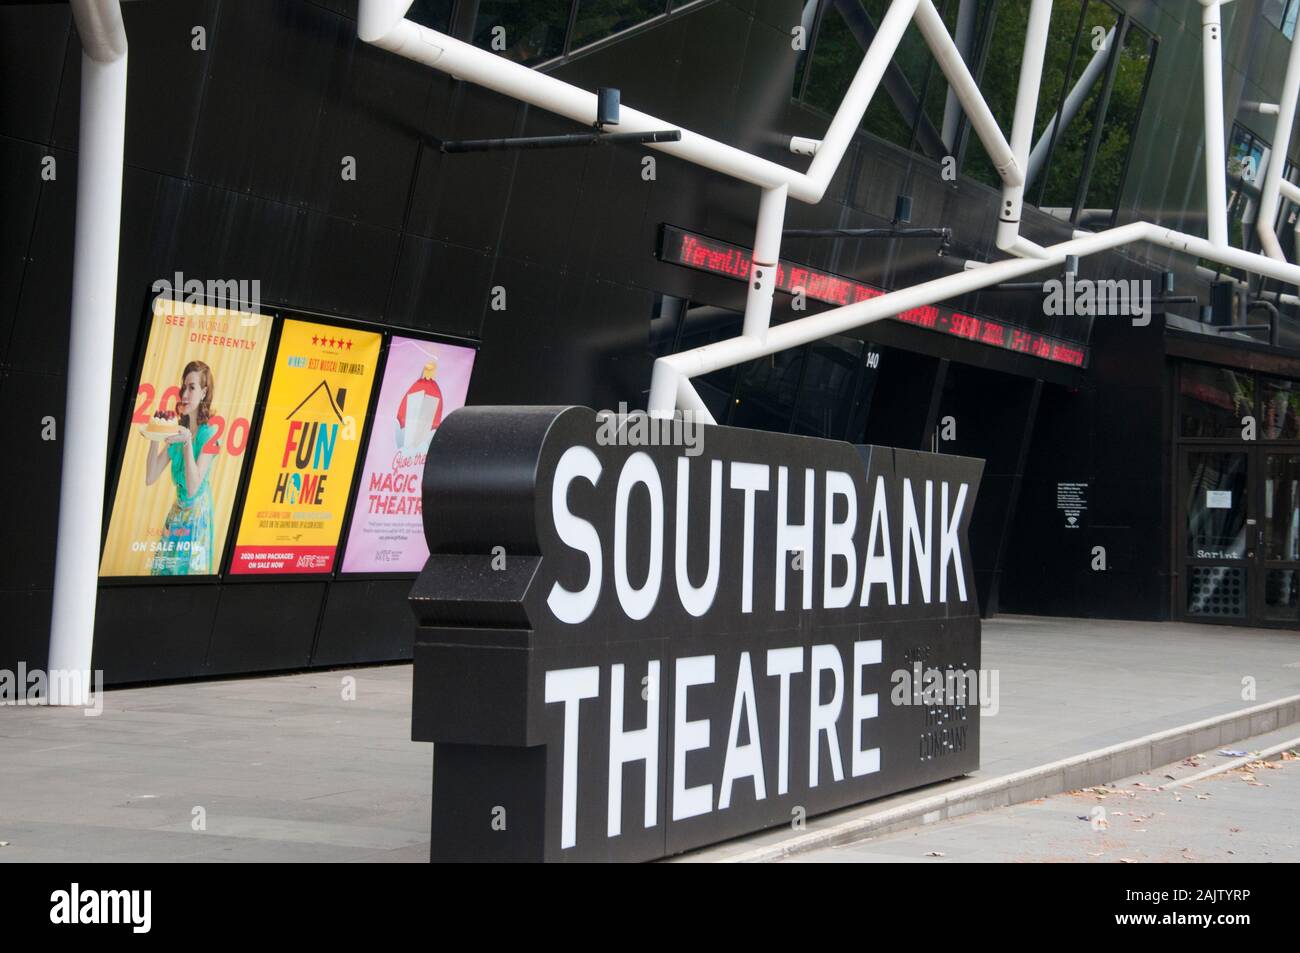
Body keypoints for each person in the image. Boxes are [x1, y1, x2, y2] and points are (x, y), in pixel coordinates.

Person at [145, 361, 218, 575]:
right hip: (177, 515)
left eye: (192, 387)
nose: (185, 393)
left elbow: (194, 487)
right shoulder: (179, 431)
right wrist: (155, 435)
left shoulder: (209, 434)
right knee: (162, 574)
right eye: (184, 387)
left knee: (185, 577)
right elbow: (150, 477)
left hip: (196, 519)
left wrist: (187, 443)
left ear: (204, 392)